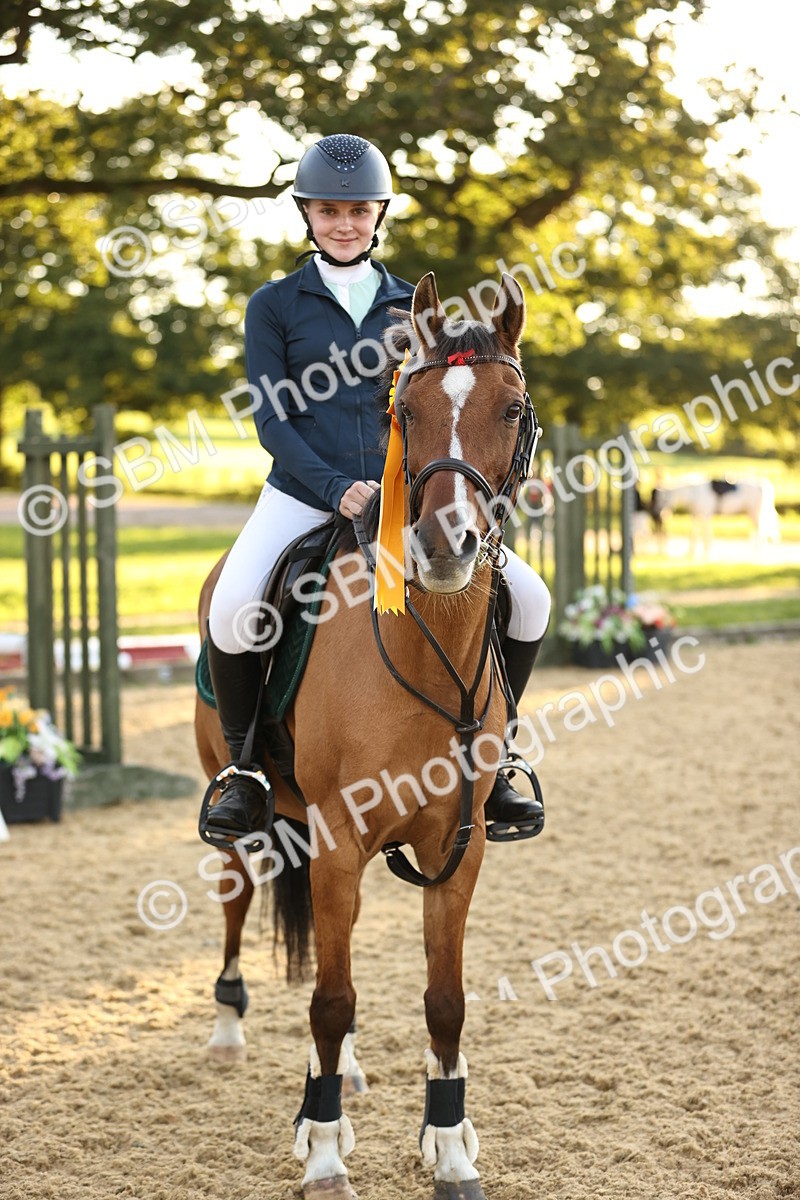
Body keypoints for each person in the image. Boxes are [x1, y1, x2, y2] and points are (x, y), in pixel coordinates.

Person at [202, 133, 550, 842]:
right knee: (235, 606)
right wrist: (336, 488)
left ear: (378, 215)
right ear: (307, 214)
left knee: (532, 598)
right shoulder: (275, 305)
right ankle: (245, 772)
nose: (344, 224)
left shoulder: (414, 307)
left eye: (358, 211)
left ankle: (500, 754)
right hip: (302, 493)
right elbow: (272, 421)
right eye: (329, 210)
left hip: (404, 500)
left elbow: (446, 409)